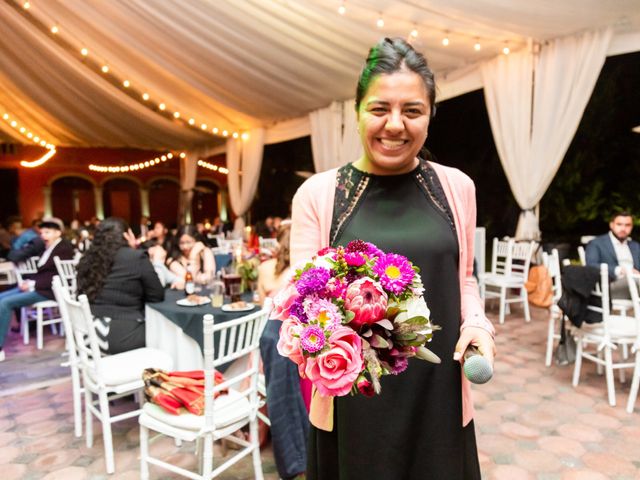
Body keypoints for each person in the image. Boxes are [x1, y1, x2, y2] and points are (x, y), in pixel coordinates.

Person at [290, 38, 496, 479]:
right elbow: (300, 307)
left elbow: (463, 280)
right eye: (380, 109)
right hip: (353, 402)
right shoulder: (319, 195)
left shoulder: (457, 188)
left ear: (431, 115)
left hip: (438, 394)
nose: (395, 125)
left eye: (413, 111)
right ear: (358, 110)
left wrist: (478, 325)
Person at [76, 217, 164, 354]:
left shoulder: (88, 258)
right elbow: (156, 295)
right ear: (126, 235)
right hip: (116, 338)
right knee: (167, 332)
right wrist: (157, 262)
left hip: (86, 334)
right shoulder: (135, 257)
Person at [0, 217, 74, 361]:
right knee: (1, 297)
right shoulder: (47, 248)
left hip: (49, 291)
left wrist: (32, 284)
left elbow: (56, 276)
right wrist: (29, 281)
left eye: (47, 232)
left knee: (5, 303)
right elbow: (43, 273)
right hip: (39, 287)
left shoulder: (64, 248)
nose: (43, 236)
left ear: (58, 233)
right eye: (42, 233)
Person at [585, 211, 640, 299]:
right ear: (611, 225)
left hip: (636, 281)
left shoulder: (635, 246)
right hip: (611, 284)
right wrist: (619, 270)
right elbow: (591, 265)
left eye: (627, 225)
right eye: (619, 224)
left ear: (632, 227)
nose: (623, 228)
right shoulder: (597, 243)